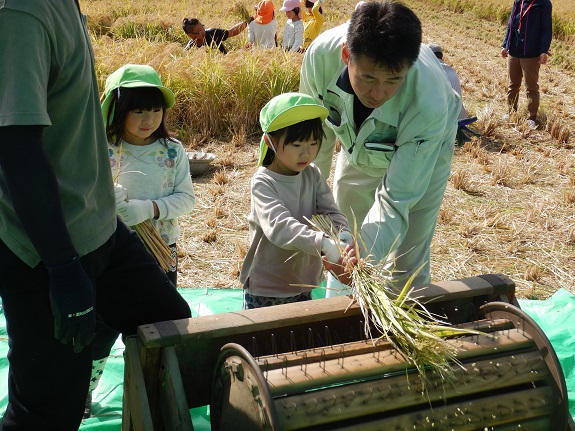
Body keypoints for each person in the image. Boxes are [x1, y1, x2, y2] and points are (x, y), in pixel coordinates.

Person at [0, 1, 192, 429]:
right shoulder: (20, 14)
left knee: (168, 325)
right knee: (46, 413)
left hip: (100, 228)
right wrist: (64, 270)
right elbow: (16, 149)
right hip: (46, 248)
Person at [299, 1, 461, 293]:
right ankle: (337, 311)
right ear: (347, 56)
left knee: (408, 252)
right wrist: (305, 205)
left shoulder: (428, 99)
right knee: (343, 230)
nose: (378, 93)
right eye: (368, 77)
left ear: (408, 69)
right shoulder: (320, 58)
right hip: (357, 144)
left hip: (425, 150)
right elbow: (314, 138)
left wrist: (362, 259)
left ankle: (402, 313)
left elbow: (397, 198)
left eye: (393, 81)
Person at [82, 64, 197, 417]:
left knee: (159, 327)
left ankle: (158, 393)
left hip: (161, 252)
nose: (148, 118)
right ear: (116, 110)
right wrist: (104, 198)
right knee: (101, 330)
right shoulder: (101, 149)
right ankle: (84, 393)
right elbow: (80, 196)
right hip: (111, 255)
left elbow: (187, 200)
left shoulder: (173, 151)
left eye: (154, 109)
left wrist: (148, 209)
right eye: (137, 109)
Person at [239, 92, 351, 309]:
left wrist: (342, 233)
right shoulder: (264, 182)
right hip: (267, 287)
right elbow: (279, 227)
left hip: (304, 282)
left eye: (313, 143)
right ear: (269, 142)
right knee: (264, 340)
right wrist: (323, 243)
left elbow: (331, 212)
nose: (306, 153)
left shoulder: (312, 174)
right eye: (297, 145)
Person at [501, 0, 552, 129]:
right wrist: (505, 44)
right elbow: (510, 24)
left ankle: (532, 117)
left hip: (531, 53)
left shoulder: (543, 3)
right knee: (512, 85)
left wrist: (543, 50)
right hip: (514, 51)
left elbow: (546, 28)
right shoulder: (518, 2)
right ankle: (511, 112)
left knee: (531, 88)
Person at [183, 17, 248, 54]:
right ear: (190, 35)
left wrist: (247, 22)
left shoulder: (213, 33)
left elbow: (232, 32)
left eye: (202, 27)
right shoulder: (190, 47)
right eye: (199, 31)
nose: (203, 32)